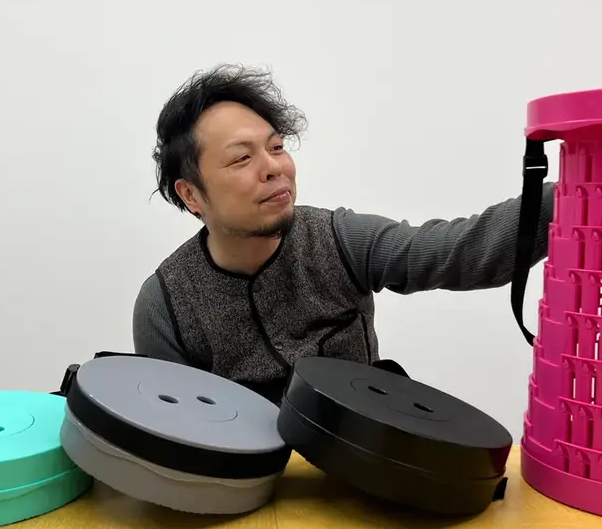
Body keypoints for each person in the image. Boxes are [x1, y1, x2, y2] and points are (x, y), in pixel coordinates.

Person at [132, 65, 554, 404]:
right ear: (191, 194)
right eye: (242, 158)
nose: (274, 167)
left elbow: (459, 252)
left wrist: (572, 196)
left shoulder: (339, 239)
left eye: (276, 148)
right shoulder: (165, 304)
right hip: (246, 480)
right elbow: (176, 430)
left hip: (359, 468)